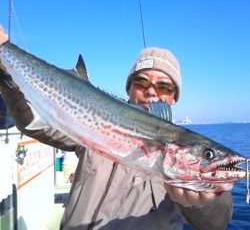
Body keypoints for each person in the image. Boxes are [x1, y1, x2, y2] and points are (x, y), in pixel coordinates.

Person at [0, 26, 232, 230]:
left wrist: (207, 202)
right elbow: (32, 124)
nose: (151, 91)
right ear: (129, 89)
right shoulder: (91, 123)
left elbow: (215, 223)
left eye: (164, 87)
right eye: (141, 82)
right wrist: (4, 62)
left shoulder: (192, 163)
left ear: (174, 98)